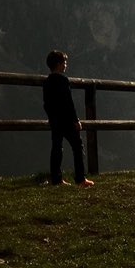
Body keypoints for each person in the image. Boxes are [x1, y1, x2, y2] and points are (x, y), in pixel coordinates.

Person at [43, 50, 94, 187]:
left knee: (57, 148)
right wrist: (75, 120)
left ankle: (57, 179)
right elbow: (68, 103)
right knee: (78, 146)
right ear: (59, 64)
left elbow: (46, 103)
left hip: (55, 120)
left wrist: (51, 117)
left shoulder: (47, 81)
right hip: (66, 120)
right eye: (64, 62)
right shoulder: (63, 80)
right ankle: (80, 179)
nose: (66, 65)